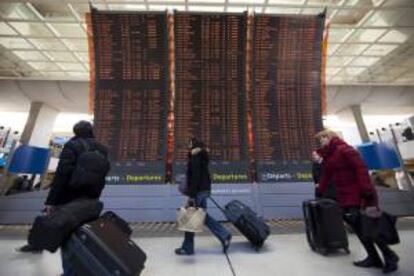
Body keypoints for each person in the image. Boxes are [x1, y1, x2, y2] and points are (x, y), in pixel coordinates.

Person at [18, 121, 108, 276]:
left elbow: (62, 174)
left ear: (75, 132)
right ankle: (83, 270)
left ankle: (69, 272)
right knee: (83, 237)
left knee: (66, 236)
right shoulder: (102, 148)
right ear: (91, 130)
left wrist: (51, 201)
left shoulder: (73, 146)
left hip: (69, 197)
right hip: (91, 199)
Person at [316, 130, 399, 274]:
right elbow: (327, 174)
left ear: (329, 137)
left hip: (361, 195)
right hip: (346, 196)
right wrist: (320, 190)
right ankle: (373, 257)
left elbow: (360, 168)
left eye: (322, 139)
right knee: (359, 229)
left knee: (370, 227)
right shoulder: (330, 155)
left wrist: (366, 190)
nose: (321, 142)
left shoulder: (345, 149)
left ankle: (389, 255)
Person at [175, 137, 232, 255]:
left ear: (195, 145)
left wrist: (191, 195)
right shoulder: (202, 156)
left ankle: (187, 248)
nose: (188, 145)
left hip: (198, 192)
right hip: (203, 190)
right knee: (202, 216)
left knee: (190, 216)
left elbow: (195, 177)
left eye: (190, 143)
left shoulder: (195, 156)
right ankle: (224, 235)